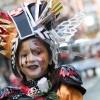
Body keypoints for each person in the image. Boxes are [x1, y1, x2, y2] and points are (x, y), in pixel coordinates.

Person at [0, 0, 86, 100]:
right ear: (18, 63)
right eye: (24, 55)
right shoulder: (11, 97)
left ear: (50, 58)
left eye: (38, 52)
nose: (31, 59)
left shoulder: (65, 89)